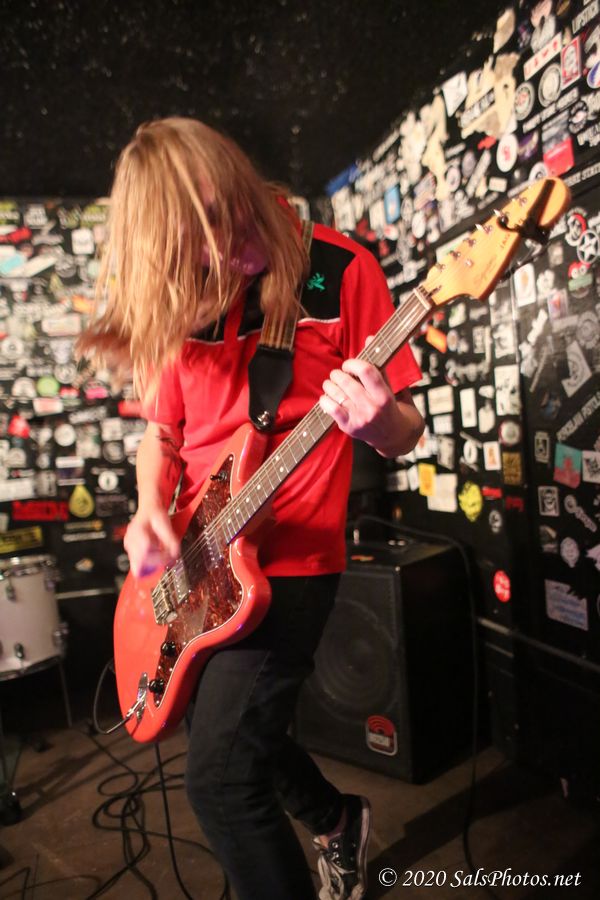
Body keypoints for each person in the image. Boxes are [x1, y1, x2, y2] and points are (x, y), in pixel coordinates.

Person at [78, 117, 425, 900]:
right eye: (196, 252)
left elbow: (407, 430)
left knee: (221, 784)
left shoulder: (342, 270)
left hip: (292, 565)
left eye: (223, 220)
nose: (225, 255)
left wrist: (380, 424)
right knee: (226, 734)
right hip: (195, 558)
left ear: (236, 174)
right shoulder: (181, 295)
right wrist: (148, 510)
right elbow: (161, 435)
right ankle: (337, 820)